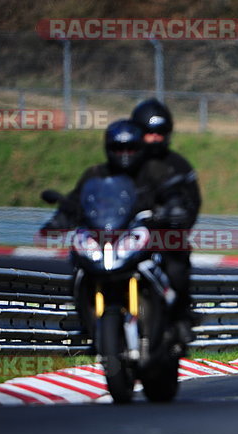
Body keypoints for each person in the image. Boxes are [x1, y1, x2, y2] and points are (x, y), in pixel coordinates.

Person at [40, 118, 200, 345]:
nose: (124, 153)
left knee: (176, 264)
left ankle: (179, 319)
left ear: (139, 148)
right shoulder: (95, 174)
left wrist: (174, 209)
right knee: (78, 271)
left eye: (130, 148)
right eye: (118, 148)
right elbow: (76, 201)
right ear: (108, 149)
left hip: (145, 238)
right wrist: (59, 219)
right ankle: (86, 324)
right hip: (107, 240)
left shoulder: (155, 170)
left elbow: (173, 193)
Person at [130, 98, 202, 343]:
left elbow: (193, 201)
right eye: (149, 133)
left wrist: (180, 219)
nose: (154, 138)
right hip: (127, 236)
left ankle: (181, 317)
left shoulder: (178, 165)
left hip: (164, 237)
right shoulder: (125, 163)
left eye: (160, 133)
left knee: (177, 266)